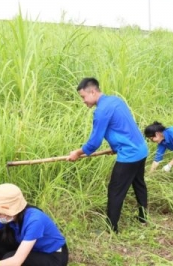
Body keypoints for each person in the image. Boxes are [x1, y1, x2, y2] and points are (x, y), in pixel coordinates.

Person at [65, 78, 147, 233]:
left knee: (115, 190)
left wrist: (77, 152)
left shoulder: (101, 111)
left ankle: (111, 229)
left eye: (83, 97)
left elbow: (94, 142)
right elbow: (123, 126)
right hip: (141, 149)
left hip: (129, 154)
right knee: (139, 184)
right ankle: (143, 218)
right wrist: (115, 147)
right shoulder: (115, 100)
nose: (83, 101)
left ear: (93, 92)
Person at [0, 184, 68, 266]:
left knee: (11, 257)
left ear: (13, 210)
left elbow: (16, 261)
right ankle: (4, 262)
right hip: (32, 249)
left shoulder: (35, 221)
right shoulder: (7, 216)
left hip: (53, 256)